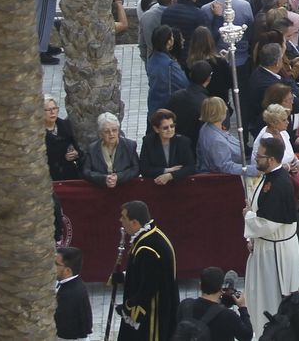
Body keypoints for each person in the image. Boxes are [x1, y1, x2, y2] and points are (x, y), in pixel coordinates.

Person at [243, 134, 299, 332]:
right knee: (259, 295)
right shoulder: (271, 176)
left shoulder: (280, 184)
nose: (256, 159)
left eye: (259, 156)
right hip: (267, 245)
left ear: (272, 159)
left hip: (276, 253)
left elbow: (269, 223)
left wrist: (248, 216)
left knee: (272, 298)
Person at [114, 200, 177, 341]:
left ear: (134, 222)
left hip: (152, 314)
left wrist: (129, 306)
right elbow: (147, 273)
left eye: (123, 217)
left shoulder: (147, 248)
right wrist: (124, 277)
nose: (120, 220)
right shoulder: (150, 236)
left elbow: (149, 286)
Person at [176, 266, 252, 341]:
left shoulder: (185, 305)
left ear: (200, 285)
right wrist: (242, 308)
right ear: (221, 288)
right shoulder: (228, 315)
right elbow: (247, 336)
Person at [81, 112, 140, 188]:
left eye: (114, 130)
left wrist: (118, 177)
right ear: (100, 134)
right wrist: (104, 178)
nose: (111, 134)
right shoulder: (92, 148)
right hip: (100, 190)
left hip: (125, 188)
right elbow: (86, 172)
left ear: (118, 130)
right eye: (106, 131)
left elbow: (136, 169)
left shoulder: (129, 146)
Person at [139, 107, 196, 184]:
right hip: (156, 186)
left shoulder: (183, 141)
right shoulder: (148, 142)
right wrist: (166, 170)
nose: (170, 130)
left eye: (172, 126)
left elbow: (190, 167)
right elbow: (144, 169)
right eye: (165, 128)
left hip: (179, 186)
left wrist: (170, 176)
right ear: (156, 129)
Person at [54, 246, 93, 340]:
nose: (51, 267)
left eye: (56, 264)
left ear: (67, 271)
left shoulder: (70, 294)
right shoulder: (72, 284)